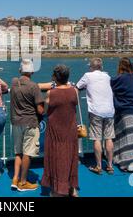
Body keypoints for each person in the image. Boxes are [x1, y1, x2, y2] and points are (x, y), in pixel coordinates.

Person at [41, 65, 79, 197]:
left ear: (55, 77)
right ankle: (72, 187)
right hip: (70, 130)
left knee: (56, 157)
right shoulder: (75, 91)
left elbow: (45, 111)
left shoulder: (51, 93)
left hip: (55, 131)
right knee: (71, 157)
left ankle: (58, 190)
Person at [10, 59, 44, 192]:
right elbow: (40, 110)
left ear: (20, 71)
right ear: (32, 72)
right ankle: (23, 182)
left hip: (16, 122)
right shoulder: (34, 87)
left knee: (18, 152)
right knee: (27, 153)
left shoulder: (14, 84)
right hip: (30, 123)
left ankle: (15, 178)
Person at [76, 58, 115, 174]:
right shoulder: (107, 76)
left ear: (91, 67)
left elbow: (77, 87)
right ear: (101, 67)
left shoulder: (87, 76)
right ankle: (110, 165)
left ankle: (98, 166)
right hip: (109, 110)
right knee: (109, 137)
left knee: (97, 138)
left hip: (96, 111)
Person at [110, 57, 133, 171]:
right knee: (132, 136)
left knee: (122, 136)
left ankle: (125, 162)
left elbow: (110, 85)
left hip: (122, 110)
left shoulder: (118, 79)